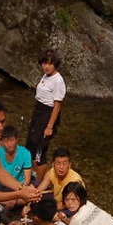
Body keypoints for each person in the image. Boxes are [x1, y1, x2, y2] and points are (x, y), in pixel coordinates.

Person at [26, 48, 66, 180]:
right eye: (44, 63)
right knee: (30, 145)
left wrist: (49, 126)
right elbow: (40, 97)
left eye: (50, 64)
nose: (47, 66)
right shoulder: (46, 76)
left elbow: (57, 105)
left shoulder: (58, 80)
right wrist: (33, 118)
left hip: (47, 115)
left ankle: (41, 184)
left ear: (55, 64)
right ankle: (32, 175)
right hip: (38, 113)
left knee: (40, 151)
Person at [0, 125, 33, 193]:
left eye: (11, 140)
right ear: (1, 142)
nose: (9, 144)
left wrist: (21, 190)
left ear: (16, 139)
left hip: (19, 186)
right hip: (2, 184)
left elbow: (27, 179)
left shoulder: (25, 153)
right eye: (5, 141)